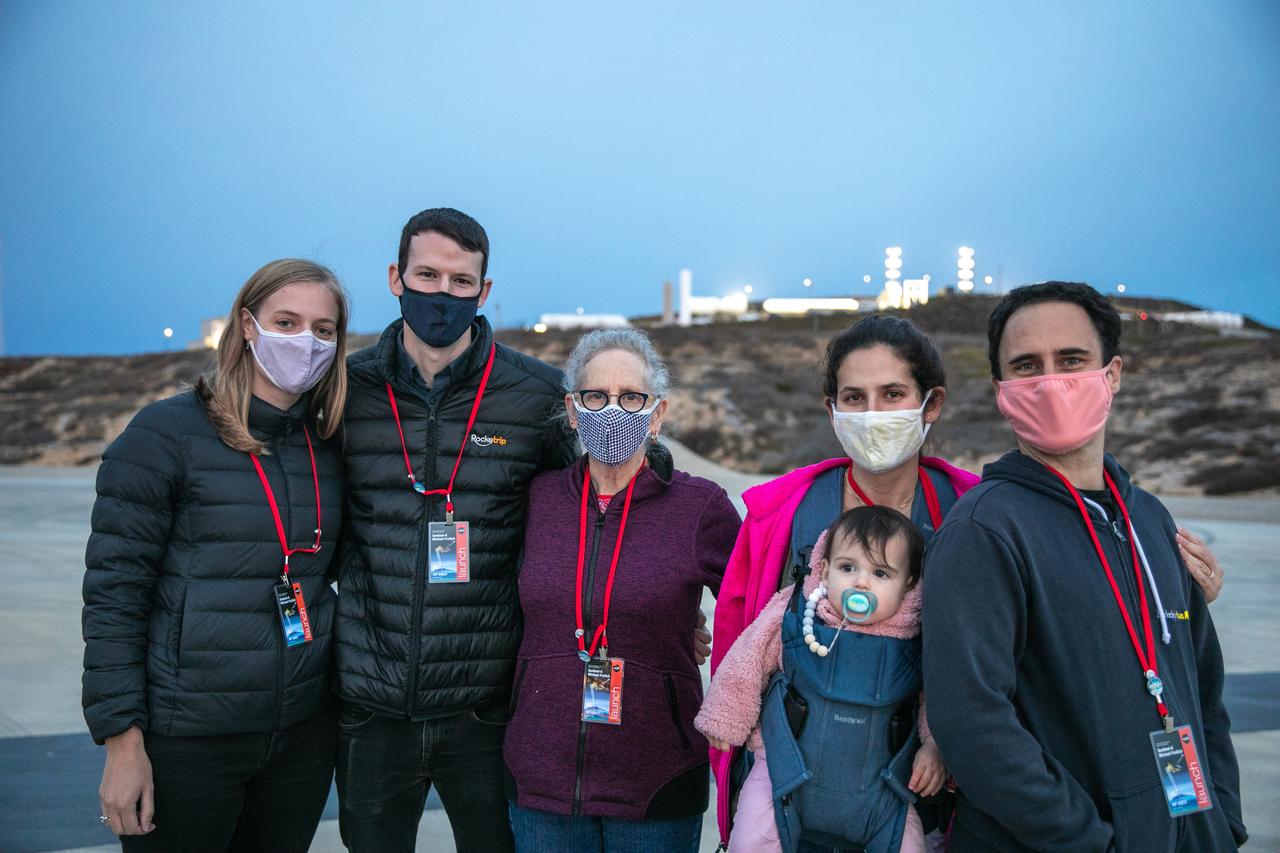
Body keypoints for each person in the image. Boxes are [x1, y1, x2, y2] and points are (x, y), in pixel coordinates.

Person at [922, 282, 1246, 851]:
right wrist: (1093, 841)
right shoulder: (983, 531)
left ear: (1112, 373)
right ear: (1002, 392)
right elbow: (972, 723)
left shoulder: (1150, 519)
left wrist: (1220, 819)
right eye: (1027, 366)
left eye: (1072, 360)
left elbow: (1201, 683)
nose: (1050, 381)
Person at [332, 208, 579, 852]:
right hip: (372, 703)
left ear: (484, 291)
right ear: (396, 277)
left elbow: (605, 494)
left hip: (488, 704)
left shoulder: (539, 394)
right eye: (427, 274)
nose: (442, 293)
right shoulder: (343, 391)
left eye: (460, 281)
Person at [82, 259, 350, 851]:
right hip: (189, 740)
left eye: (323, 330)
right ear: (248, 326)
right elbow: (113, 599)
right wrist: (121, 744)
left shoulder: (329, 445)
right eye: (286, 321)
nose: (305, 341)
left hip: (299, 741)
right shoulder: (164, 435)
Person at [709, 315, 979, 846]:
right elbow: (740, 642)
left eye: (893, 393)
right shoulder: (782, 518)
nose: (873, 413)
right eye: (854, 397)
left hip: (918, 805)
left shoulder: (970, 518)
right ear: (831, 410)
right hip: (790, 801)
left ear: (933, 405)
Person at [503, 328, 741, 853]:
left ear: (656, 414)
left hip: (655, 780)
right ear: (572, 410)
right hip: (541, 779)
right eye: (596, 396)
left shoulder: (701, 508)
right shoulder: (537, 501)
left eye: (630, 397)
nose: (613, 410)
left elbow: (753, 617)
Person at [697, 506, 945, 853]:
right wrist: (726, 714)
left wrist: (935, 746)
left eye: (881, 573)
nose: (861, 582)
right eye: (848, 568)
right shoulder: (799, 614)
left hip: (881, 791)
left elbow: (936, 696)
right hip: (784, 773)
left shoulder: (916, 636)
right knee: (751, 837)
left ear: (908, 584)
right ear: (825, 571)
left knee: (906, 842)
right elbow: (749, 656)